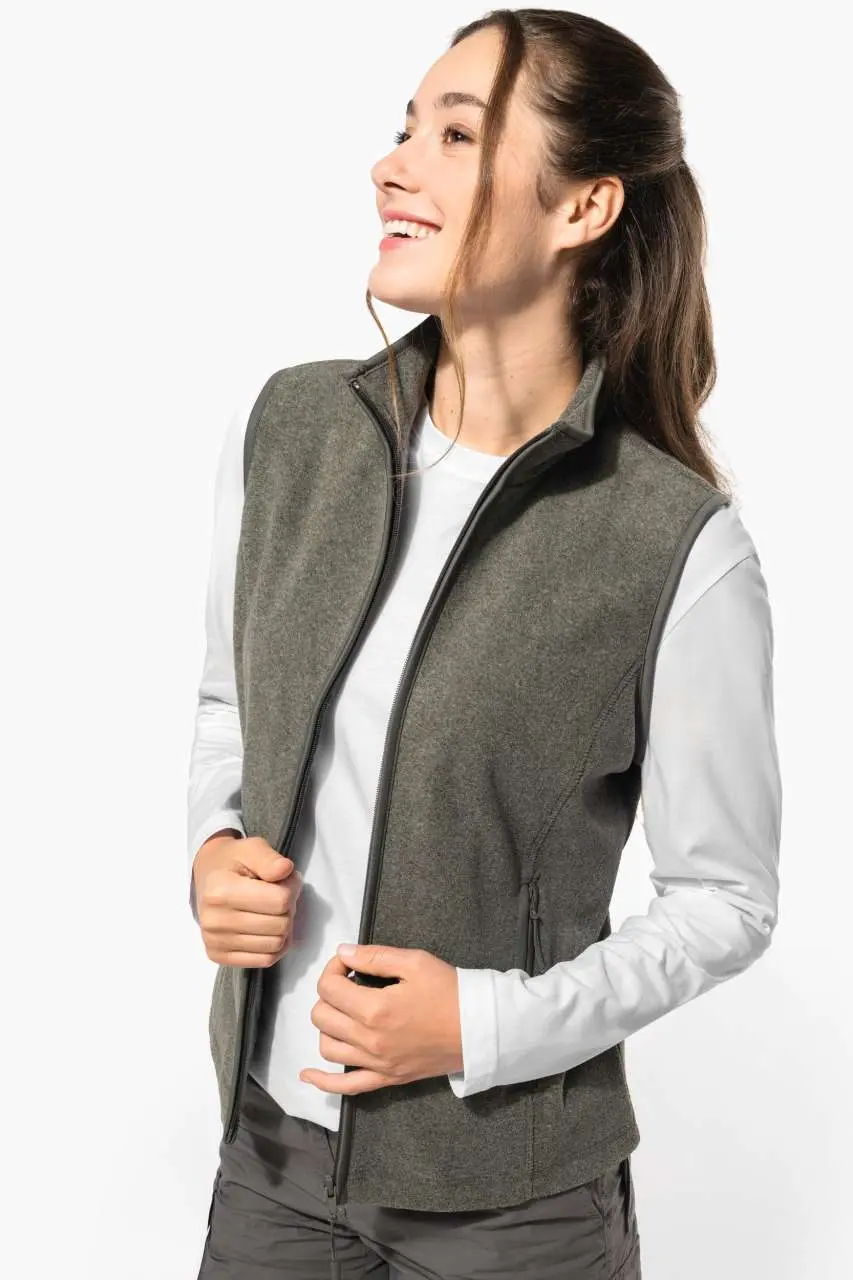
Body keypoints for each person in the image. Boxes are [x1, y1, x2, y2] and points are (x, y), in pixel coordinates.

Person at [186, 9, 782, 1279]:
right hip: (270, 1163)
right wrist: (214, 849)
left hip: (511, 1215)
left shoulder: (672, 542)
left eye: (456, 136)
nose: (391, 166)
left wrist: (486, 1022)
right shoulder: (294, 429)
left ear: (584, 206)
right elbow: (231, 706)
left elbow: (725, 899)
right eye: (404, 128)